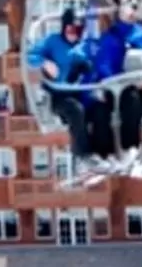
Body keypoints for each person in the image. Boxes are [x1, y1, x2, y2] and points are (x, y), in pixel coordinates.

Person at [93, 0, 142, 174]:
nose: (132, 11)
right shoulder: (110, 38)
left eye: (135, 6)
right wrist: (129, 80)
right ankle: (130, 148)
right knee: (131, 98)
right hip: (121, 91)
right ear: (118, 9)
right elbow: (104, 67)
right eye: (127, 7)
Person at [30, 9, 103, 162]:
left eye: (78, 30)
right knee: (76, 110)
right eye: (70, 30)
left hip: (81, 92)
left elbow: (98, 63)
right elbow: (30, 55)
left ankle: (102, 153)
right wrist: (45, 62)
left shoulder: (85, 46)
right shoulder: (52, 41)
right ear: (64, 27)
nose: (73, 35)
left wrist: (88, 67)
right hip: (59, 95)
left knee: (100, 110)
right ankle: (83, 155)